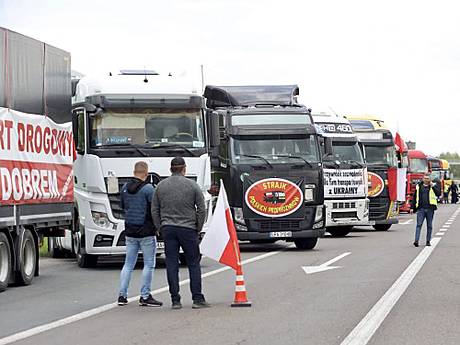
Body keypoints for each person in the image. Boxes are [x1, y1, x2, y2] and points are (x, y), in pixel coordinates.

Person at [152, 157, 210, 309]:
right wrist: (198, 227)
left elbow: (155, 209)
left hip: (168, 228)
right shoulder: (192, 185)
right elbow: (201, 209)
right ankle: (197, 298)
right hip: (188, 228)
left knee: (171, 263)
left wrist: (160, 227)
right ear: (184, 168)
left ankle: (175, 299)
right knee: (193, 263)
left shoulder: (160, 186)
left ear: (171, 169)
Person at [117, 161, 163, 307]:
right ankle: (145, 295)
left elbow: (123, 206)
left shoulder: (124, 187)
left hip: (130, 230)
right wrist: (158, 226)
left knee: (128, 264)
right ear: (146, 173)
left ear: (134, 172)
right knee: (149, 264)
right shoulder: (148, 189)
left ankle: (122, 295)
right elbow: (155, 208)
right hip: (146, 231)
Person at [410, 173, 441, 247]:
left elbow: (438, 194)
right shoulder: (419, 187)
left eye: (428, 178)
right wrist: (412, 207)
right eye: (425, 178)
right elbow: (414, 198)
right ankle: (416, 241)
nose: (426, 180)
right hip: (421, 209)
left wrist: (432, 186)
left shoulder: (433, 186)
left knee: (429, 225)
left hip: (430, 209)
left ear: (430, 179)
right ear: (423, 179)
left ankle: (428, 241)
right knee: (419, 225)